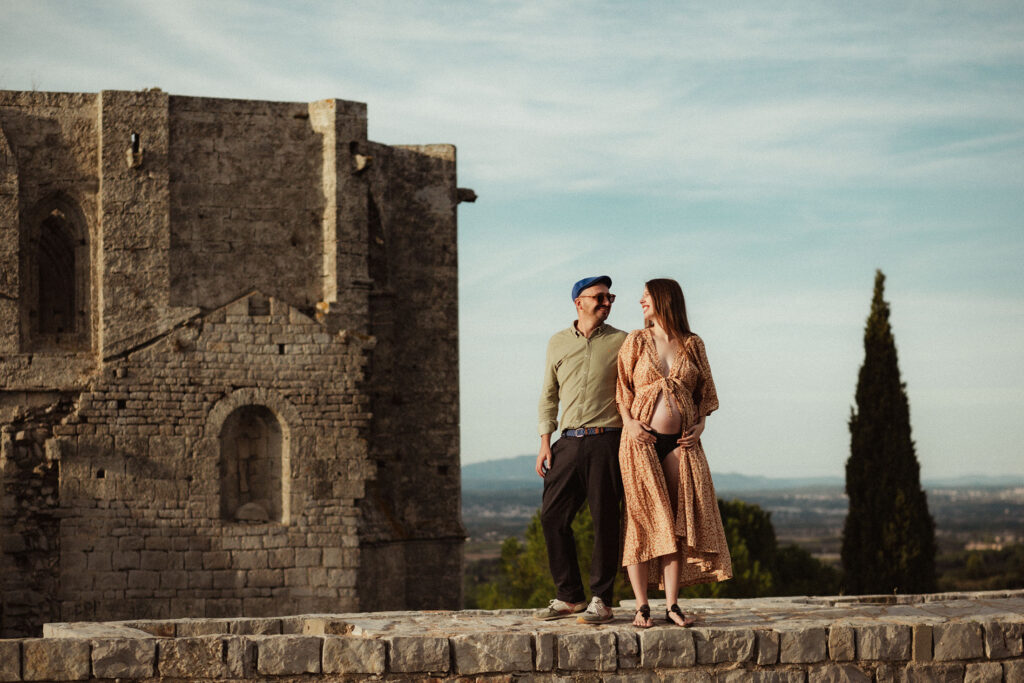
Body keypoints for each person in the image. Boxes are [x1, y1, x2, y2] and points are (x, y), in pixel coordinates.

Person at [616, 278, 732, 628]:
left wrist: (700, 427)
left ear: (665, 300)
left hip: (682, 443)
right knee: (642, 520)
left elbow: (706, 394)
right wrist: (630, 424)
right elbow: (621, 388)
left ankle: (672, 604)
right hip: (640, 441)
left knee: (676, 522)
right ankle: (641, 605)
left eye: (646, 297)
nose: (640, 301)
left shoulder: (693, 345)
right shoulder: (636, 340)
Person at [534, 275, 628, 625]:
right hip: (568, 442)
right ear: (579, 302)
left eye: (610, 297)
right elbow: (548, 395)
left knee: (605, 519)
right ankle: (569, 596)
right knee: (552, 517)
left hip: (608, 439)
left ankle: (602, 599)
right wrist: (545, 441)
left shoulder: (624, 341)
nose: (607, 302)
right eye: (600, 297)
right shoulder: (557, 343)